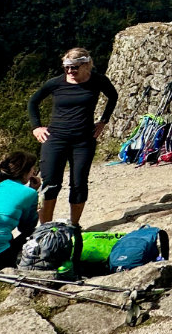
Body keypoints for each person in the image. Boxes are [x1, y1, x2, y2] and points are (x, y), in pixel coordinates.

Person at [27, 48, 117, 228]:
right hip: (55, 139)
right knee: (50, 183)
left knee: (79, 183)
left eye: (74, 68)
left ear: (86, 65)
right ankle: (45, 228)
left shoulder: (98, 81)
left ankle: (74, 225)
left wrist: (103, 121)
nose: (70, 72)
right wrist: (36, 127)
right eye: (66, 67)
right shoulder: (55, 83)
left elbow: (113, 96)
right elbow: (33, 102)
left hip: (83, 140)